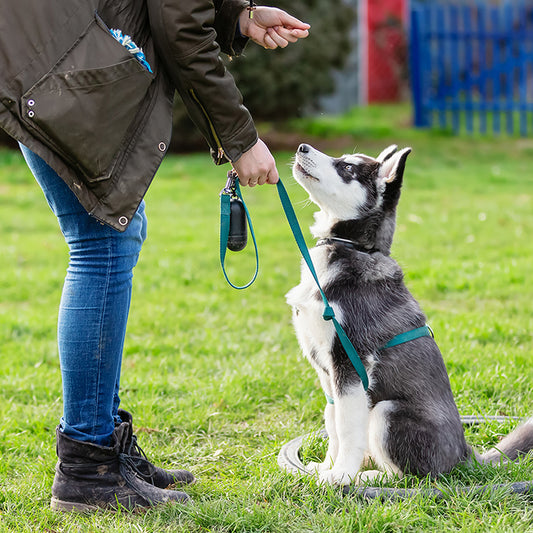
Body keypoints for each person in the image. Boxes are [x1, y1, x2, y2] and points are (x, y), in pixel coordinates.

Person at [0, 0, 309, 511]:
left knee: (114, 234)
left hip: (48, 53)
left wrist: (236, 17)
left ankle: (104, 446)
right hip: (49, 61)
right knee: (102, 244)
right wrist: (240, 137)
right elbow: (179, 26)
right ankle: (87, 465)